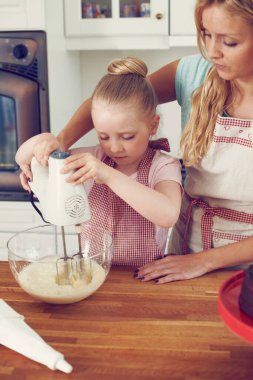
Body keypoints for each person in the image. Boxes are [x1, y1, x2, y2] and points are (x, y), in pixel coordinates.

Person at [18, 0, 253, 283]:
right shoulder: (194, 75)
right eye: (206, 34)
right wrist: (58, 144)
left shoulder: (160, 166)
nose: (212, 52)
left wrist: (202, 262)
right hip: (187, 245)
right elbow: (118, 100)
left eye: (229, 42)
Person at [16, 57, 182, 267]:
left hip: (142, 278)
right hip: (92, 273)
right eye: (104, 137)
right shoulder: (91, 159)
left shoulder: (163, 166)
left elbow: (168, 215)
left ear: (152, 125)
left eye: (127, 137)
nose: (114, 148)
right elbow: (22, 156)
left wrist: (108, 175)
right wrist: (45, 142)